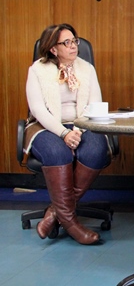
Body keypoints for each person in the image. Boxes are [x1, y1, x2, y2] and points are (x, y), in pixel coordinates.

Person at [24, 24, 111, 245]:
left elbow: (94, 105)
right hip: (46, 125)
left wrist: (77, 130)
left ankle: (55, 213)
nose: (73, 46)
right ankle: (71, 223)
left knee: (96, 150)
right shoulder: (37, 69)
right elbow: (38, 110)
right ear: (53, 49)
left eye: (75, 41)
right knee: (57, 153)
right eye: (67, 43)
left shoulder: (86, 68)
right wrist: (63, 133)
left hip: (82, 124)